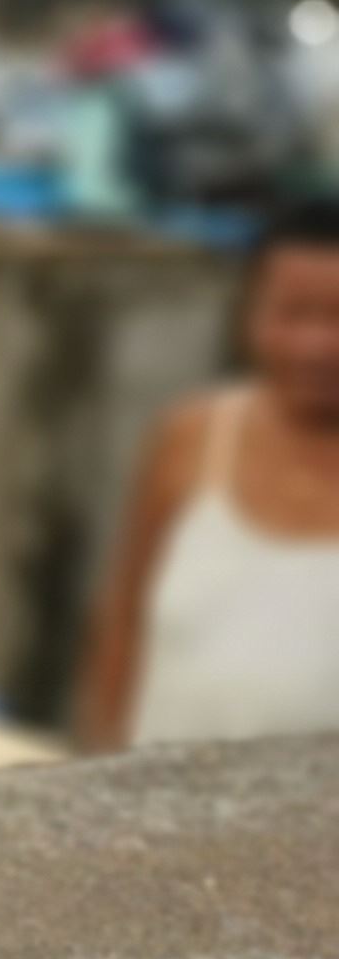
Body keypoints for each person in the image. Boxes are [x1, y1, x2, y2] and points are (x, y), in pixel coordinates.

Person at [76, 195, 339, 749]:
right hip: (158, 820)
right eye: (292, 314)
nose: (316, 346)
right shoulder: (192, 439)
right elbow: (123, 619)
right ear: (250, 310)